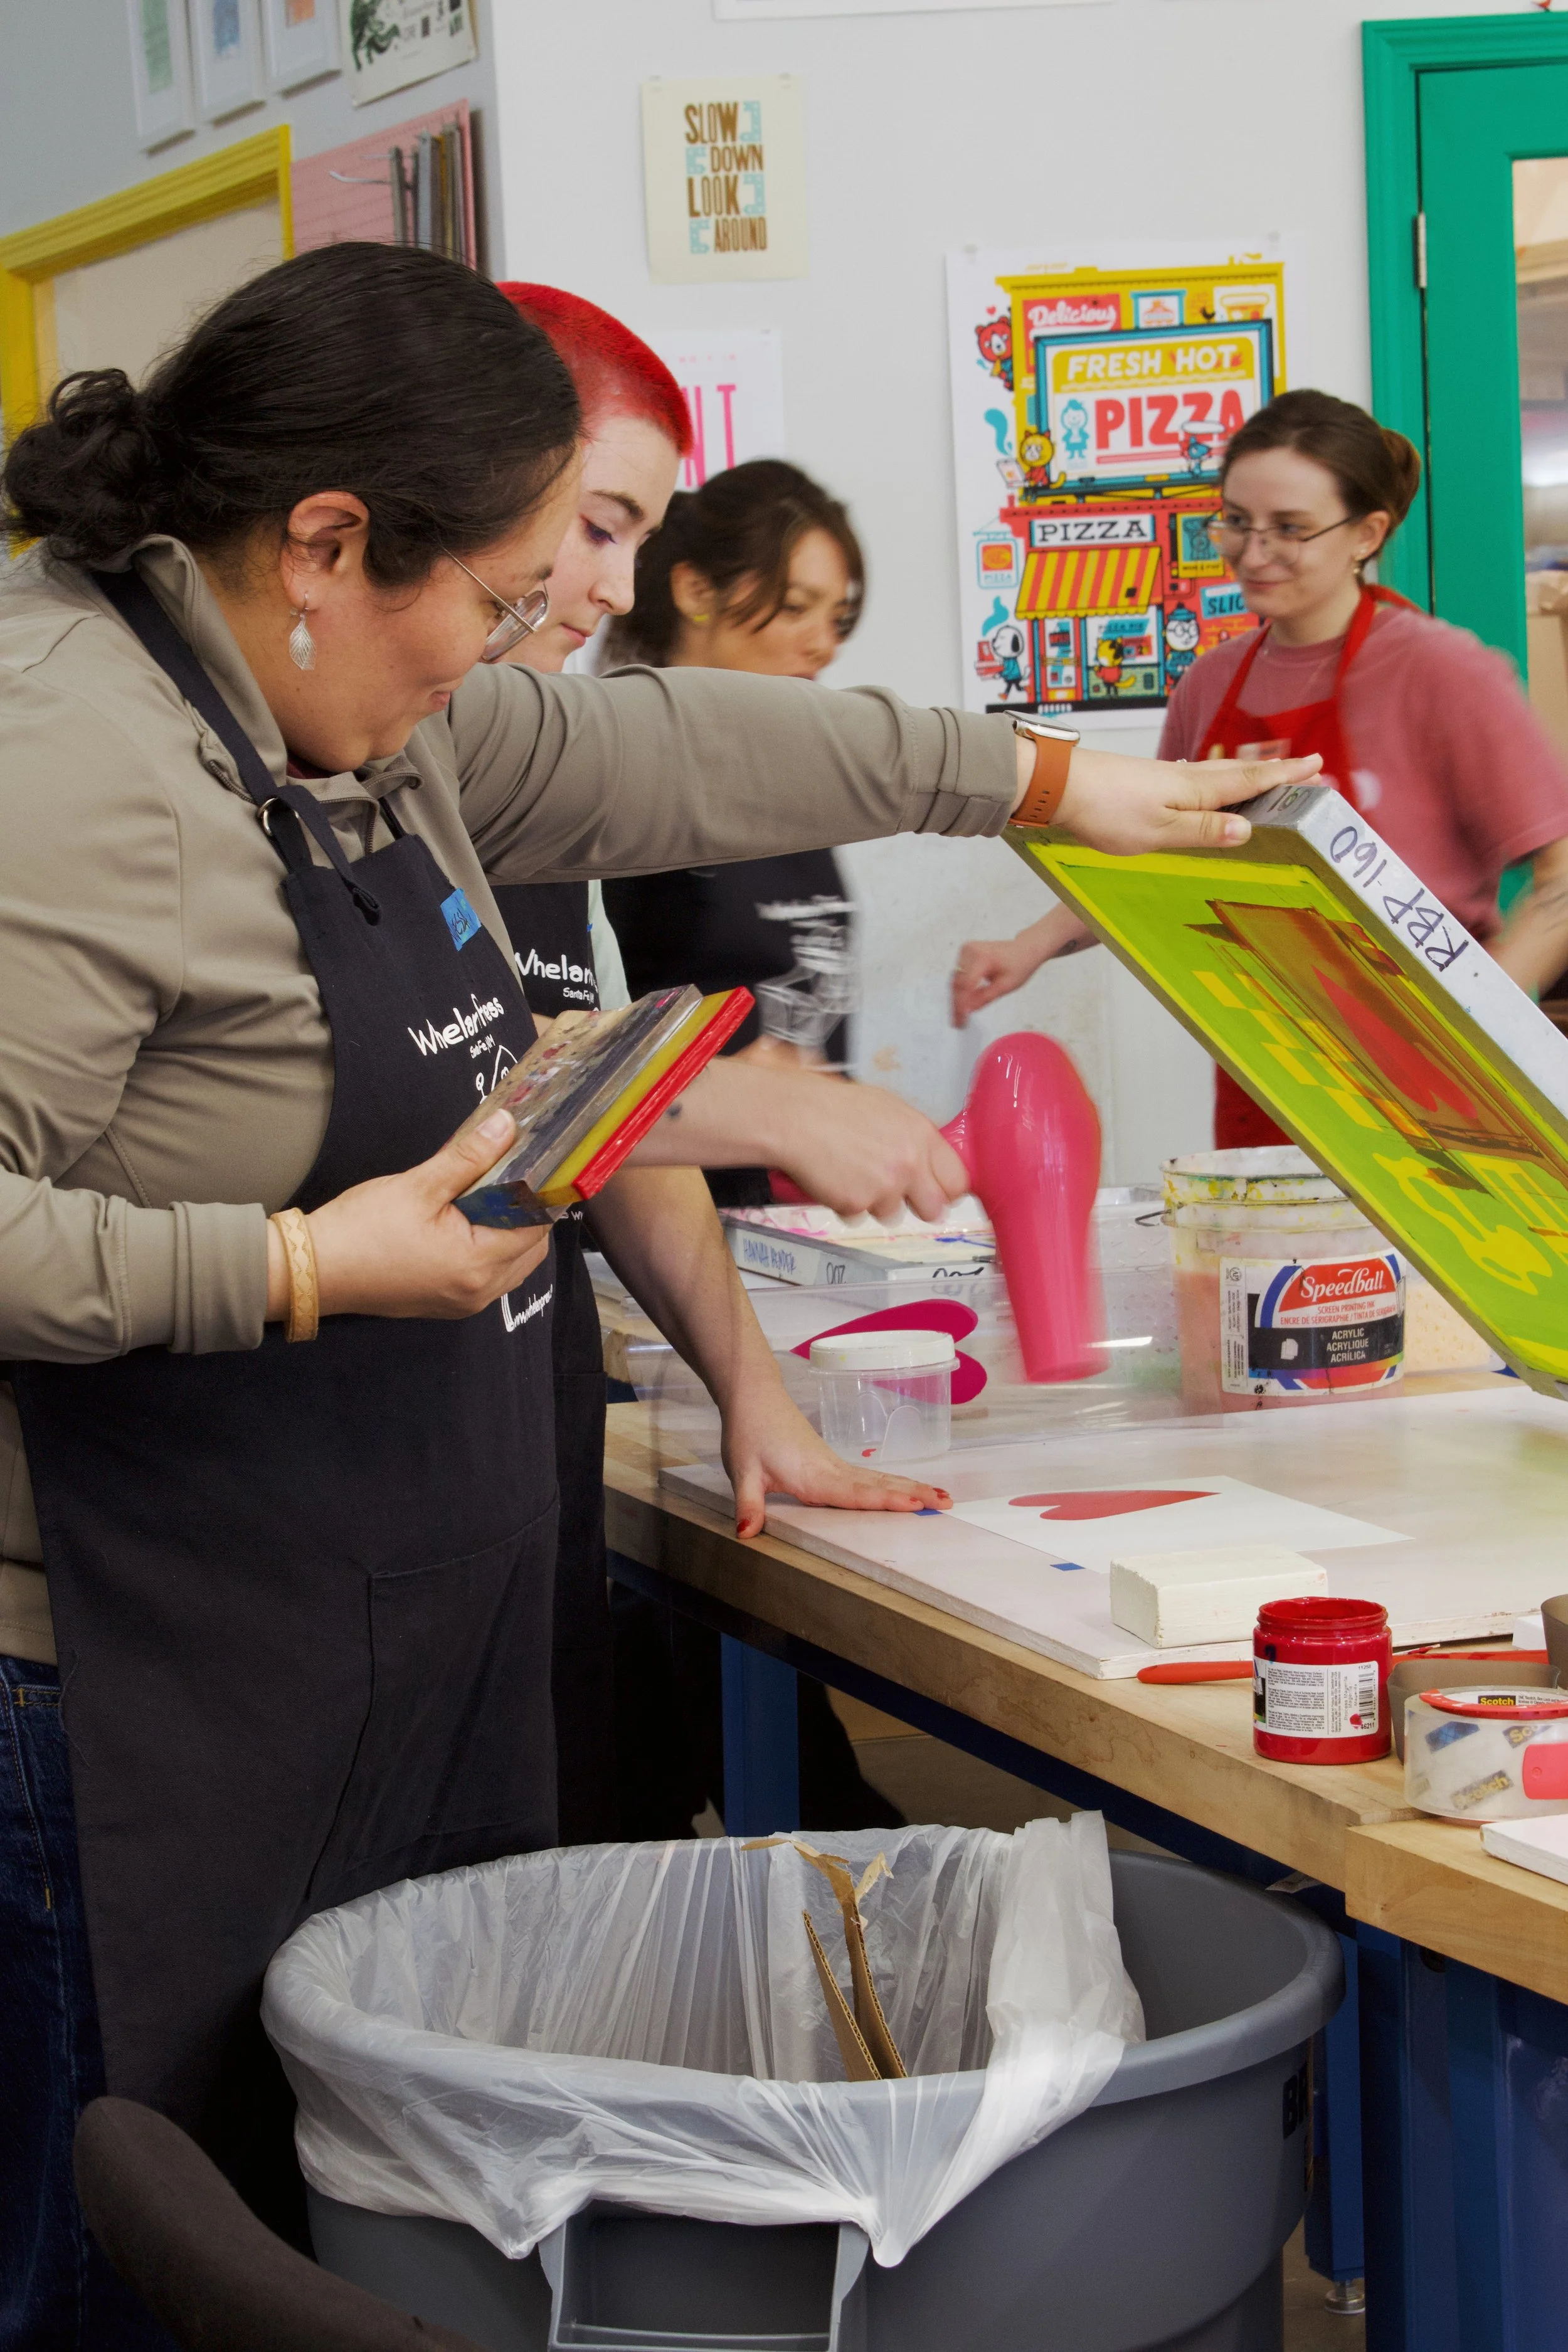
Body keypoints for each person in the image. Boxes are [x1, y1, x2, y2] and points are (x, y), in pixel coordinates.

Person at [0, 240, 1309, 2347]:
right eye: (503, 598)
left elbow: (692, 756)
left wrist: (1060, 785)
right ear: (325, 539)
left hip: (358, 1621)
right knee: (131, 2265)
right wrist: (304, 1262)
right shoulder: (65, 761)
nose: (523, 651)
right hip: (116, 1693)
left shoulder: (338, 701)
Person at [952, 389, 1568, 1148]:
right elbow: (1144, 851)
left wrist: (1472, 1030)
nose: (1252, 553)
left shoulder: (1443, 672)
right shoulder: (1210, 684)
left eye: (1290, 530)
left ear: (1366, 533)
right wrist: (1028, 947)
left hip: (1437, 1089)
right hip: (1265, 1068)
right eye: (1236, 522)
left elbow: (1560, 882)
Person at [601, 459, 868, 1208]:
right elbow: (576, 1029)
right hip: (667, 1220)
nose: (824, 644)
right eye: (795, 608)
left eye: (837, 618)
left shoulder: (792, 778)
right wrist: (754, 1082)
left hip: (790, 1214)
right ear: (695, 592)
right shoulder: (620, 774)